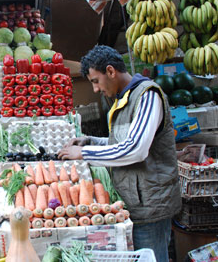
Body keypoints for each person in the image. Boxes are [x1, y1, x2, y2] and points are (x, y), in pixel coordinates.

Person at [58, 45, 181, 262]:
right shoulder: (123, 99)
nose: (95, 89)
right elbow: (123, 142)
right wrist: (91, 141)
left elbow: (136, 150)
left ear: (111, 71)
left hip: (150, 207)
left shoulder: (147, 96)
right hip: (133, 203)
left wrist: (85, 153)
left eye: (96, 81)